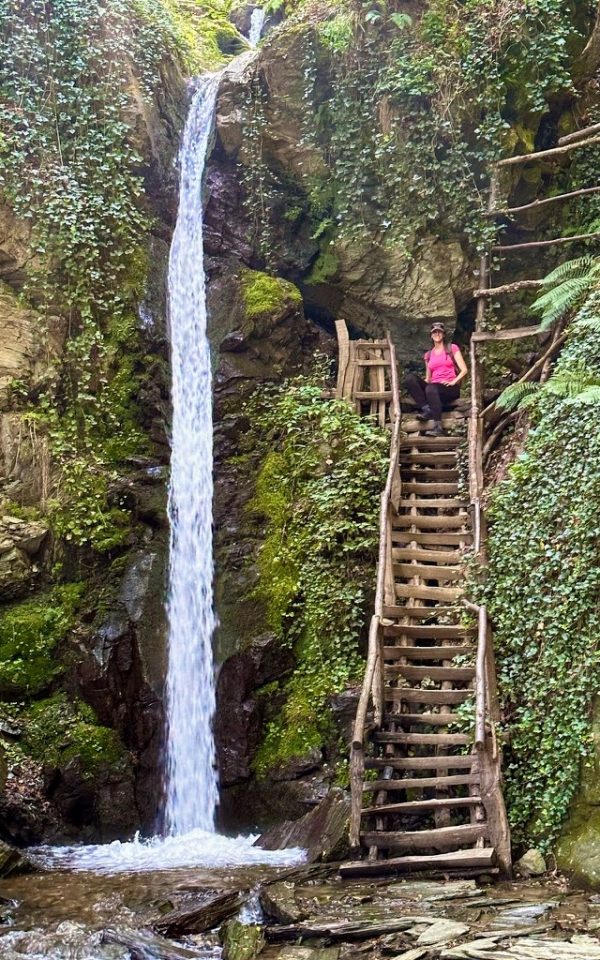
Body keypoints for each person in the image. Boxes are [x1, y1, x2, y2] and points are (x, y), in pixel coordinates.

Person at [403, 322, 468, 436]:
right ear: (431, 335)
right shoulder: (428, 355)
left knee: (431, 388)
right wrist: (419, 385)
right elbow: (428, 378)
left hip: (450, 388)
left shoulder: (451, 348)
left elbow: (464, 370)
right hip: (433, 389)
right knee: (410, 378)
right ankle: (427, 408)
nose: (437, 334)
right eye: (434, 332)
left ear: (443, 334)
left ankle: (438, 427)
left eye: (439, 332)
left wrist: (453, 382)